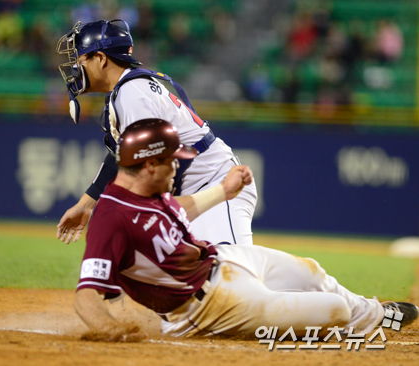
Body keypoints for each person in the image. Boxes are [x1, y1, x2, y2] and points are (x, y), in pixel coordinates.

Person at [74, 118, 418, 341]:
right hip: (204, 308)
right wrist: (113, 332)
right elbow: (86, 295)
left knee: (311, 271)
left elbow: (176, 211)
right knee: (335, 311)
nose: (179, 165)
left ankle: (377, 316)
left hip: (223, 261)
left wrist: (222, 191)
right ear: (149, 164)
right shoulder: (111, 216)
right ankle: (313, 326)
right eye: (172, 160)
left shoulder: (150, 192)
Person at [55, 19, 257, 246]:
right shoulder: (130, 88)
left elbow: (146, 167)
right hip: (195, 193)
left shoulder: (132, 94)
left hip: (217, 187)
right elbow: (122, 156)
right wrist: (86, 203)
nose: (75, 67)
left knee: (233, 272)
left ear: (101, 59)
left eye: (80, 58)